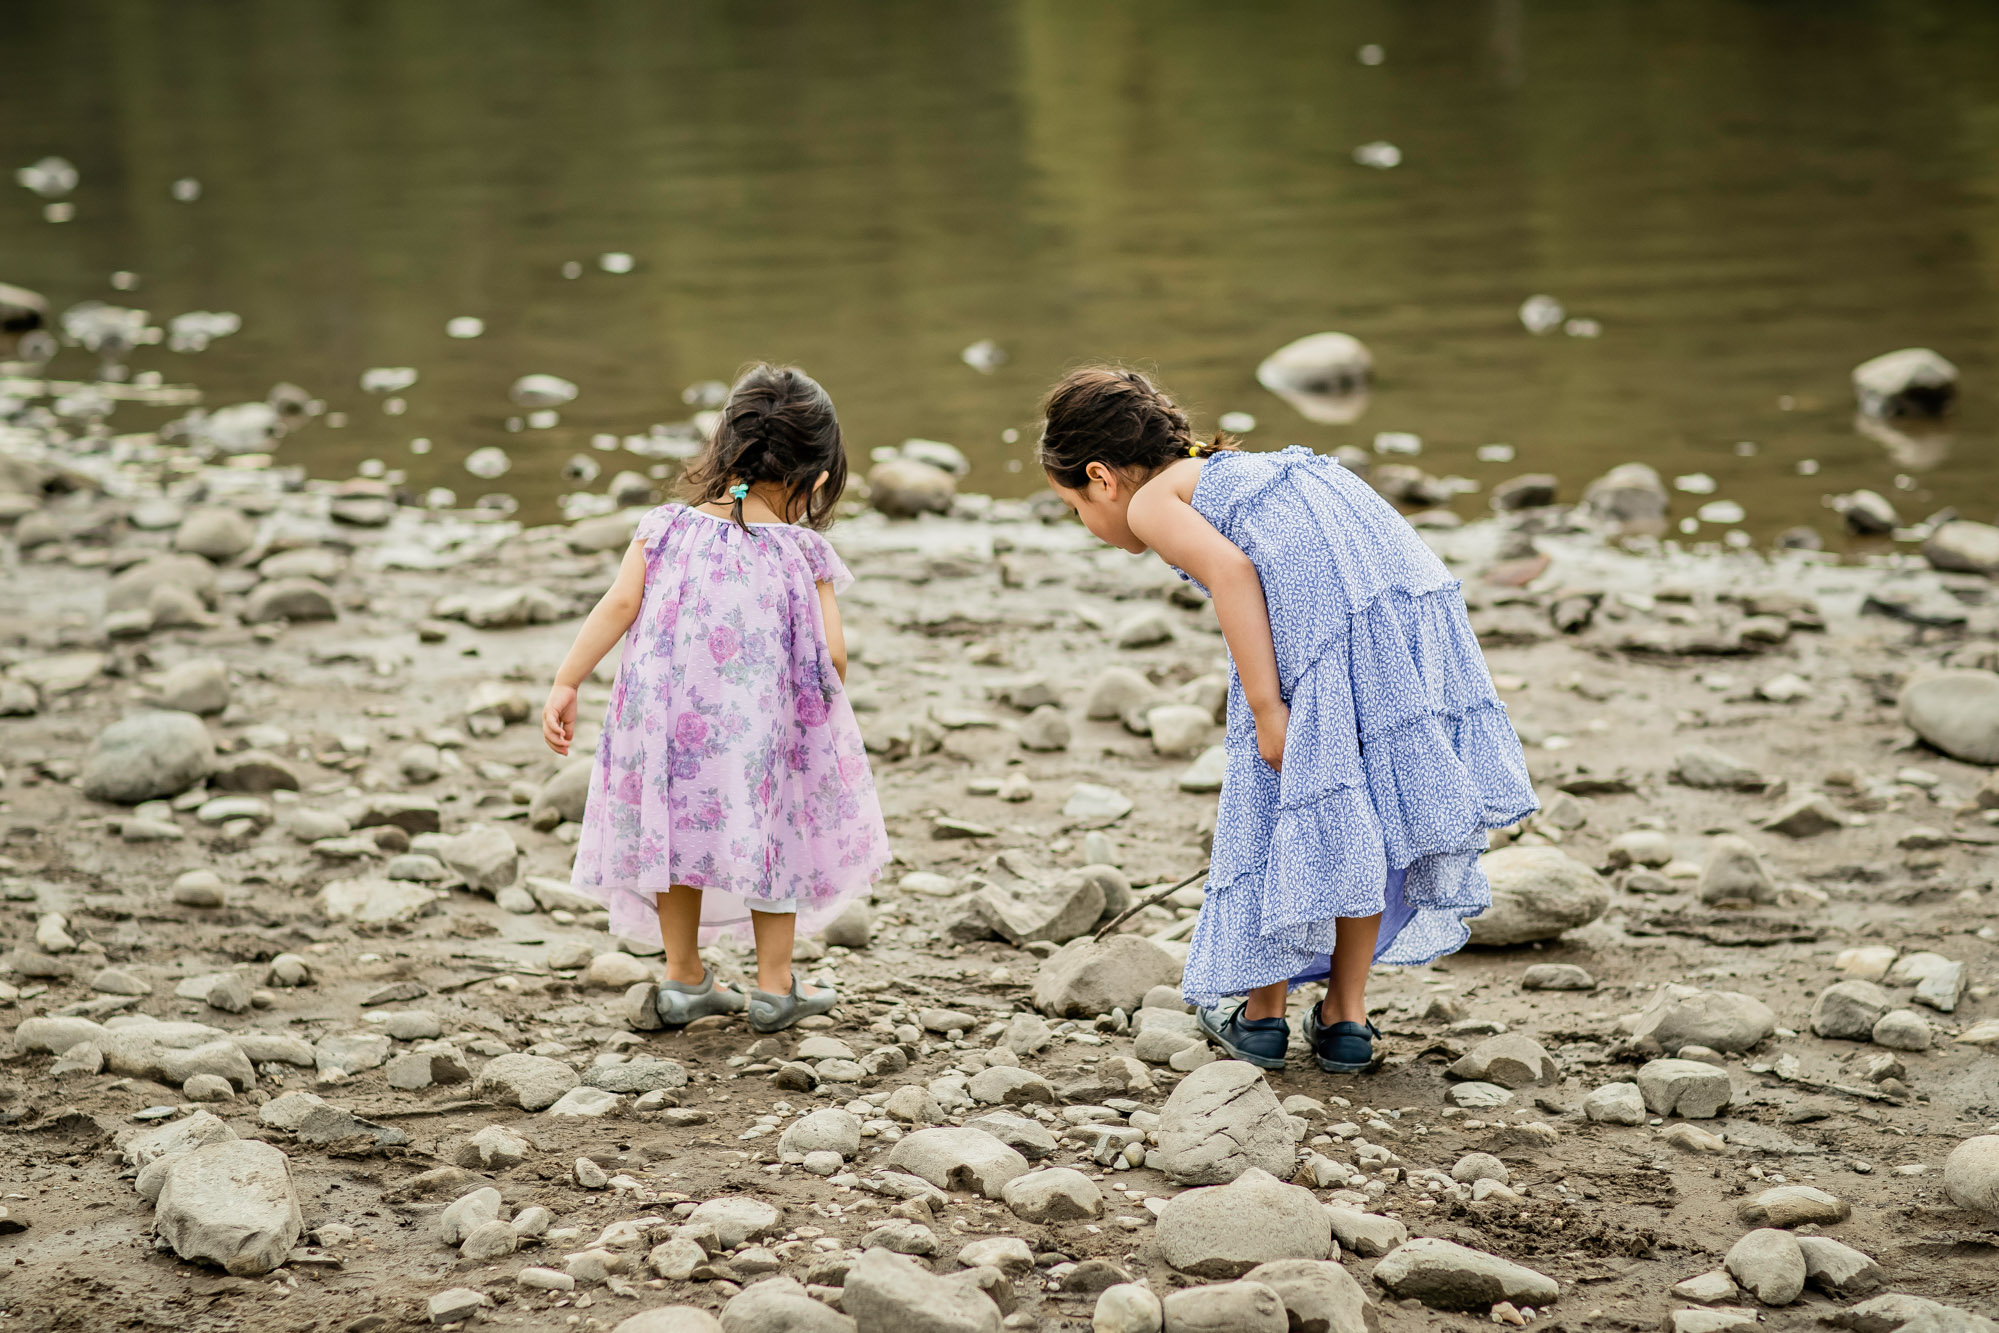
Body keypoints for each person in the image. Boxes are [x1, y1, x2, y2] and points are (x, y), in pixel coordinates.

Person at [1036, 367, 1536, 1072]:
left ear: (1101, 476)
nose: (1084, 524)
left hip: (1323, 643)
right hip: (1400, 628)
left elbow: (1233, 574)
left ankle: (1263, 1015)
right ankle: (1345, 1018)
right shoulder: (1254, 469)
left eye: (1073, 505)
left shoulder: (1153, 501)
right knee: (1361, 817)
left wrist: (1268, 709)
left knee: (1277, 809)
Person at [541, 363, 889, 1035]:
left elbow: (617, 604)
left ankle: (683, 976)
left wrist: (567, 679)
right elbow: (833, 654)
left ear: (725, 447)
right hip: (757, 733)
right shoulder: (799, 552)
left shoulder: (665, 528)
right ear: (815, 476)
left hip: (665, 726)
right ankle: (773, 986)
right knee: (773, 832)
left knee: (673, 836)